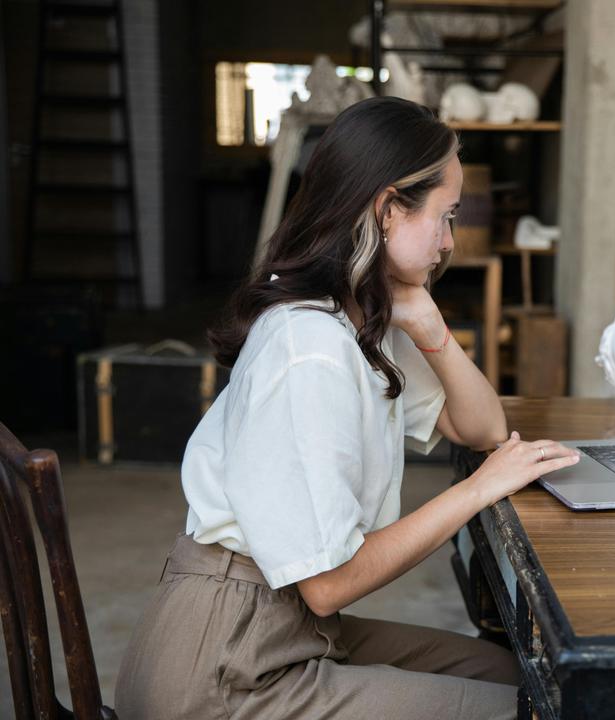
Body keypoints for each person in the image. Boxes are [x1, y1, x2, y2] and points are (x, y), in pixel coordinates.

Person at [115, 96, 580, 720]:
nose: (448, 242)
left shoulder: (358, 318)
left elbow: (483, 427)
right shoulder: (311, 351)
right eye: (445, 217)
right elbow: (329, 585)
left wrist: (428, 322)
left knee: (510, 670)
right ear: (389, 209)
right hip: (223, 667)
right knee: (530, 709)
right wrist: (475, 492)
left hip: (280, 624)